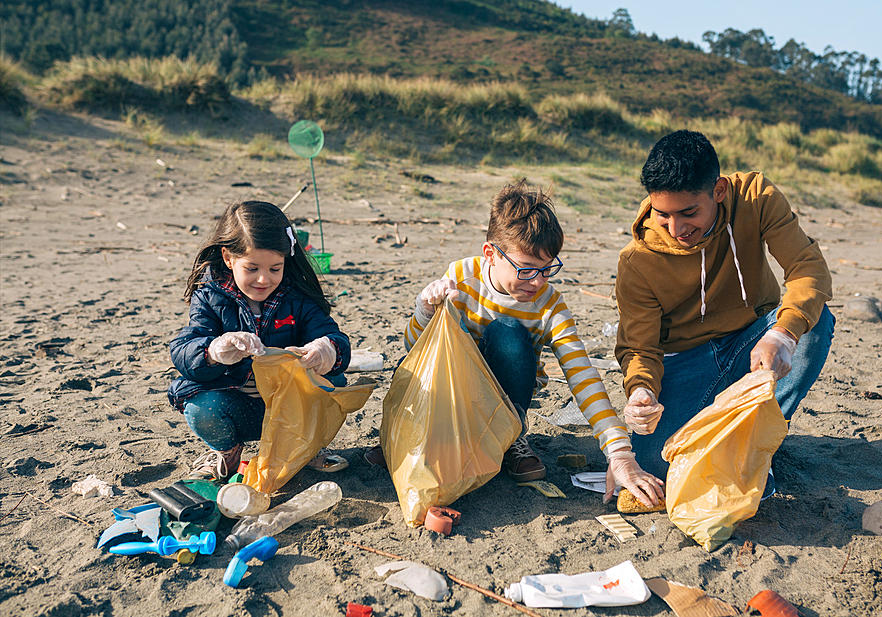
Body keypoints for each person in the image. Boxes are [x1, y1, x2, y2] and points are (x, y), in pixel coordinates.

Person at [400, 180, 663, 506]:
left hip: (505, 403)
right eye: (526, 270)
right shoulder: (460, 277)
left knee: (510, 332)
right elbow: (416, 350)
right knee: (458, 335)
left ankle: (509, 439)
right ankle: (421, 435)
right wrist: (425, 310)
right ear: (490, 254)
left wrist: (619, 453)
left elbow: (582, 374)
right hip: (454, 395)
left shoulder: (549, 303)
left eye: (547, 269)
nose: (537, 281)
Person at [615, 130, 835, 494]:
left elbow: (808, 269)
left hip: (756, 342)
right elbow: (640, 347)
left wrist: (784, 334)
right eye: (663, 215)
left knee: (812, 322)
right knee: (655, 465)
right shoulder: (637, 260)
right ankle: (735, 446)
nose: (676, 229)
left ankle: (753, 443)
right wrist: (642, 389)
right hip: (687, 361)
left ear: (718, 191)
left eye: (688, 213)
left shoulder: (756, 198)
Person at [168, 200, 351, 481]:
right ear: (229, 258)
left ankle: (307, 447)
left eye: (275, 269)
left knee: (334, 383)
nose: (264, 279)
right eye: (252, 269)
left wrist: (326, 349)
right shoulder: (209, 295)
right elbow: (183, 350)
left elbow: (336, 339)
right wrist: (213, 351)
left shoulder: (297, 296)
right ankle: (226, 453)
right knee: (199, 404)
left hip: (292, 407)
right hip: (238, 405)